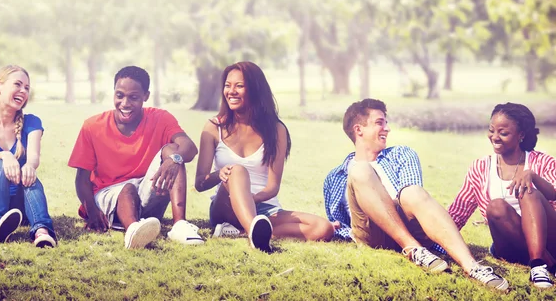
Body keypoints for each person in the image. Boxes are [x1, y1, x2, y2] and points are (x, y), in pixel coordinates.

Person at [323, 99, 508, 291]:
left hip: (409, 225)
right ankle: (413, 249)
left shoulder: (402, 154)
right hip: (372, 234)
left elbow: (415, 199)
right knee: (361, 170)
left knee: (411, 190)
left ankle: (473, 266)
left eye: (386, 123)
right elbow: (340, 225)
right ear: (359, 130)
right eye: (380, 123)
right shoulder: (334, 178)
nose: (387, 128)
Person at [195, 61, 334, 252]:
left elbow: (272, 187)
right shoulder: (214, 127)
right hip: (226, 207)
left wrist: (250, 199)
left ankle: (245, 231)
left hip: (264, 207)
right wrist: (218, 174)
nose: (231, 91)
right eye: (228, 85)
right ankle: (253, 232)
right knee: (238, 171)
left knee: (323, 228)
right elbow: (199, 183)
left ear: (255, 89)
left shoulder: (276, 130)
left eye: (239, 86)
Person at [68, 66, 203, 249]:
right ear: (113, 93)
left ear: (145, 96)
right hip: (108, 194)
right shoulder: (92, 126)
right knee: (128, 188)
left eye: (133, 97)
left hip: (146, 192)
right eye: (119, 95)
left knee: (173, 150)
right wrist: (92, 212)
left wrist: (174, 159)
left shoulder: (160, 118)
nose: (125, 103)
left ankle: (180, 225)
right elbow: (82, 179)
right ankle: (133, 231)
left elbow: (190, 147)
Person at [448, 102, 556, 289]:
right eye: (491, 131)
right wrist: (431, 240)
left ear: (521, 135)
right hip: (510, 245)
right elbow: (458, 213)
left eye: (503, 133)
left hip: (551, 238)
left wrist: (533, 177)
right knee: (496, 206)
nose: (494, 137)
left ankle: (538, 264)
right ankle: (547, 263)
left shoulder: (542, 162)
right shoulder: (480, 168)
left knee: (528, 192)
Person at [0, 65, 56, 247]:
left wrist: (30, 165)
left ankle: (41, 232)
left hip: (18, 205)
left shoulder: (32, 122)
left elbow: (33, 157)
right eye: (17, 84)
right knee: (1, 161)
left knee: (29, 175)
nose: (23, 91)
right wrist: (5, 155)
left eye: (27, 88)